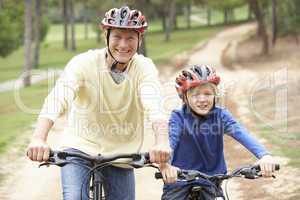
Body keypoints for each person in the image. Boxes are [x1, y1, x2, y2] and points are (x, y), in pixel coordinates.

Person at [26, 6, 174, 200]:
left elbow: (155, 106)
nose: (123, 44)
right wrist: (39, 138)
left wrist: (161, 142)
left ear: (140, 39)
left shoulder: (144, 68)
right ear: (106, 35)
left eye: (130, 37)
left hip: (121, 154)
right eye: (117, 36)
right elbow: (57, 98)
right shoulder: (83, 63)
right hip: (79, 147)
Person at [161, 65, 279, 200]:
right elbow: (169, 143)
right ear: (184, 97)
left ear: (215, 95)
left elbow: (242, 134)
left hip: (212, 181)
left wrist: (264, 156)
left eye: (207, 94)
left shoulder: (221, 116)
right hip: (178, 180)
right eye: (195, 95)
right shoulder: (178, 117)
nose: (202, 99)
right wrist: (166, 165)